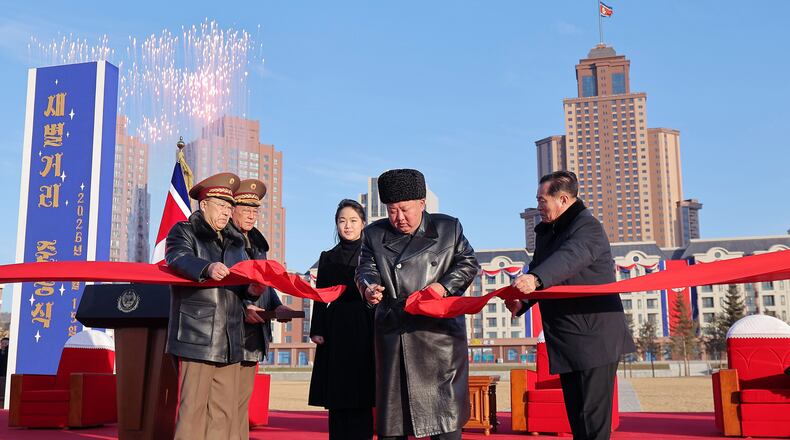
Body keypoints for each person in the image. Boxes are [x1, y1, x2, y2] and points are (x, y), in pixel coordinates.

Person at [505, 170, 636, 440]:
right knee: (577, 419)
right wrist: (523, 301)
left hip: (595, 337)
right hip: (567, 338)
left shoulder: (588, 228)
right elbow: (541, 266)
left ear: (563, 199)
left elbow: (569, 258)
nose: (539, 206)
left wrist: (536, 279)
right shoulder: (549, 231)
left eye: (543, 200)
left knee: (592, 421)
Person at [355, 169, 479, 440]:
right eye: (392, 210)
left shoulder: (448, 228)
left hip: (438, 339)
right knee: (393, 427)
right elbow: (365, 268)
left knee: (445, 425)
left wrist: (443, 287)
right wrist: (368, 288)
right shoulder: (374, 234)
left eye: (405, 209)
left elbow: (468, 263)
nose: (399, 218)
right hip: (394, 336)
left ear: (422, 203)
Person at [165, 172, 253, 440]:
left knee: (223, 411)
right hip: (198, 334)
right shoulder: (184, 230)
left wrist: (253, 290)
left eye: (230, 207)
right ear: (204, 205)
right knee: (193, 408)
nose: (227, 212)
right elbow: (177, 257)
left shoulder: (237, 242)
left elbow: (241, 281)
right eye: (221, 205)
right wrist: (206, 267)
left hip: (230, 336)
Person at [229, 178, 293, 439]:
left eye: (255, 211)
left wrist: (277, 306)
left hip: (253, 333)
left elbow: (264, 284)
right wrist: (245, 304)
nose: (251, 215)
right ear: (232, 209)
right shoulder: (225, 242)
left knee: (241, 402)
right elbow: (224, 285)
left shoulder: (257, 245)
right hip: (231, 330)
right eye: (245, 209)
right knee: (225, 401)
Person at [308, 199, 375, 440]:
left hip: (365, 324)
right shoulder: (327, 256)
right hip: (335, 327)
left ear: (363, 224)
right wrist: (317, 328)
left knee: (362, 392)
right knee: (337, 392)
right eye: (342, 221)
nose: (347, 226)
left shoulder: (373, 254)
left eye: (353, 221)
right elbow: (319, 296)